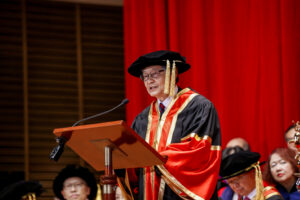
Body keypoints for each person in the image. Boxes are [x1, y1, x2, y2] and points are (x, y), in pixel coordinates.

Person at [117, 50, 221, 200]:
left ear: (173, 72)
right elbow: (133, 165)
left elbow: (198, 150)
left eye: (154, 74)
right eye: (145, 76)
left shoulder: (198, 107)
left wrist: (154, 159)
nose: (149, 81)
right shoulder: (142, 118)